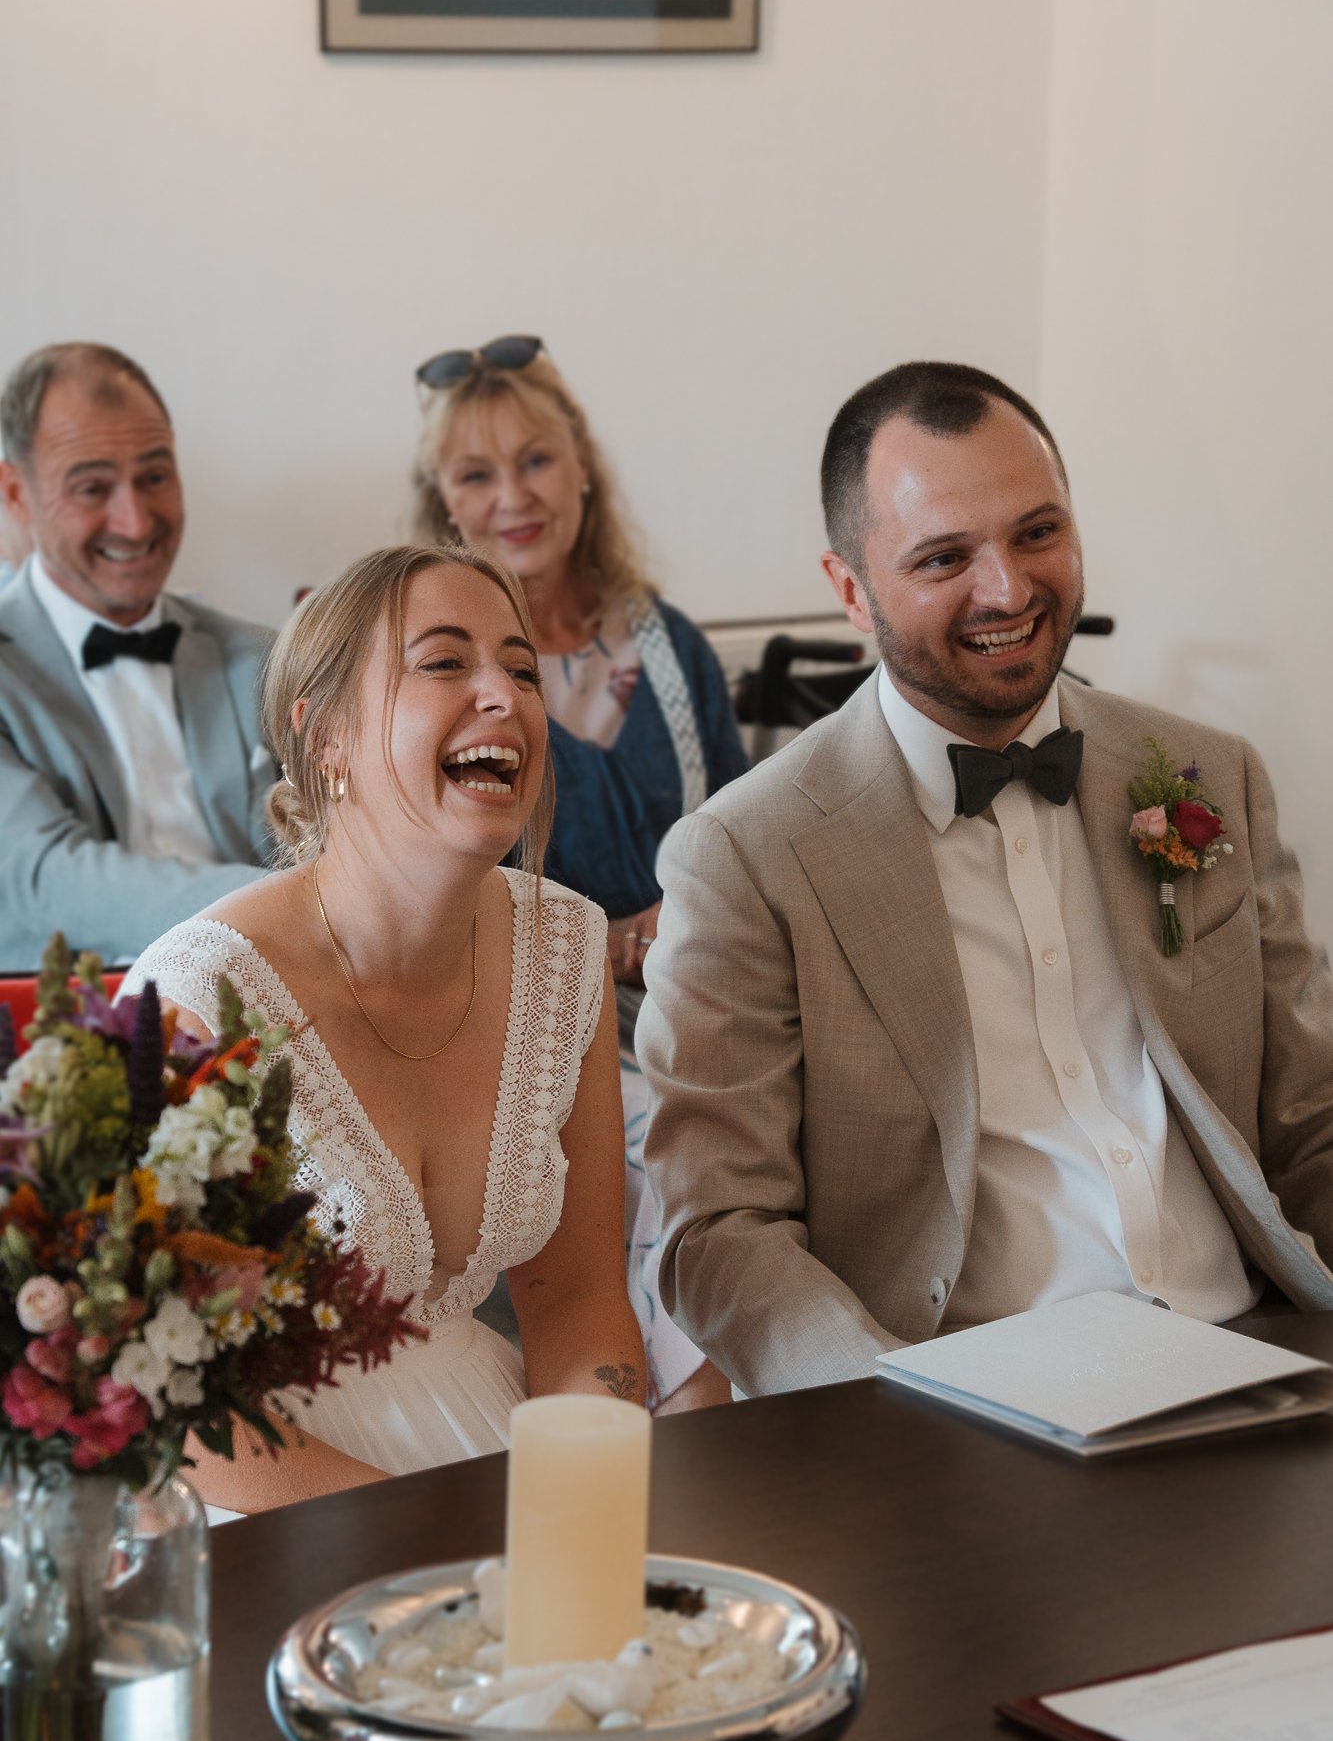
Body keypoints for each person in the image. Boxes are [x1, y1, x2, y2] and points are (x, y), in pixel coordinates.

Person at [637, 361, 1333, 1396]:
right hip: (960, 1410)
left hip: (1263, 1359)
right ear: (847, 588)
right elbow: (718, 1233)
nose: (1006, 588)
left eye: (1036, 532)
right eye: (944, 556)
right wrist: (895, 1415)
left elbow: (1310, 1121)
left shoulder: (1206, 776)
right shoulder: (746, 853)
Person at [122, 542, 647, 1513]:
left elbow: (576, 1303)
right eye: (445, 662)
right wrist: (410, 1536)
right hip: (260, 1495)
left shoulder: (563, 945)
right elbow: (163, 1387)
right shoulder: (200, 997)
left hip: (480, 1442)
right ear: (324, 735)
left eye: (522, 669)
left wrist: (587, 1490)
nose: (504, 695)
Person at [413, 335, 744, 1409]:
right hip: (528, 1022)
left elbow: (746, 839)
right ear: (440, 501)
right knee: (673, 1153)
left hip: (704, 998)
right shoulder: (425, 671)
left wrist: (690, 922)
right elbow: (412, 888)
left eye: (538, 459)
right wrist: (590, 943)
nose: (514, 495)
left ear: (584, 467)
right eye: (476, 473)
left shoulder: (671, 646)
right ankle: (699, 1427)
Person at [0, 342, 275, 972]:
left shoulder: (264, 655)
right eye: (93, 488)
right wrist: (308, 904)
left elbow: (326, 834)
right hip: (59, 1039)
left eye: (155, 477)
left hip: (269, 1012)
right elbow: (47, 878)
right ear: (16, 494)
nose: (135, 520)